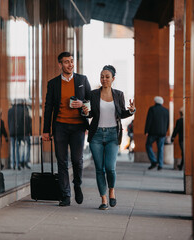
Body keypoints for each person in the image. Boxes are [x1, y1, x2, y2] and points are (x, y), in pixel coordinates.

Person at [83, 65, 135, 210]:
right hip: (96, 135)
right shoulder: (93, 94)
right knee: (99, 169)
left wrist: (131, 111)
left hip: (113, 134)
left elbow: (122, 113)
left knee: (110, 168)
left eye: (107, 77)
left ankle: (111, 190)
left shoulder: (118, 94)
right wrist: (85, 112)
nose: (104, 79)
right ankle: (104, 199)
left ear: (113, 79)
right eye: (102, 76)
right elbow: (90, 114)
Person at [42, 51, 91, 207]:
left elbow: (91, 102)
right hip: (60, 127)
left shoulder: (82, 80)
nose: (70, 64)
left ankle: (77, 184)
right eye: (66, 62)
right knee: (62, 162)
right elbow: (48, 107)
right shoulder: (53, 83)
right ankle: (65, 195)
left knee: (77, 160)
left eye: (71, 61)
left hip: (78, 127)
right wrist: (45, 130)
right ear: (60, 65)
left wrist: (82, 104)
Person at [144, 96, 169, 171]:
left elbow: (149, 121)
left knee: (148, 145)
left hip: (153, 132)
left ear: (155, 102)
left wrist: (146, 131)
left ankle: (154, 161)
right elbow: (167, 123)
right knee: (160, 148)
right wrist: (165, 131)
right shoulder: (166, 110)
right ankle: (160, 165)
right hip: (162, 133)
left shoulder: (152, 109)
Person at [8, 99, 32, 170]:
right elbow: (27, 121)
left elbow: (9, 122)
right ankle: (22, 161)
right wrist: (29, 131)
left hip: (12, 132)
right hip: (21, 132)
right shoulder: (24, 109)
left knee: (14, 148)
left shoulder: (10, 110)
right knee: (24, 146)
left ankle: (14, 164)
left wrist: (10, 130)